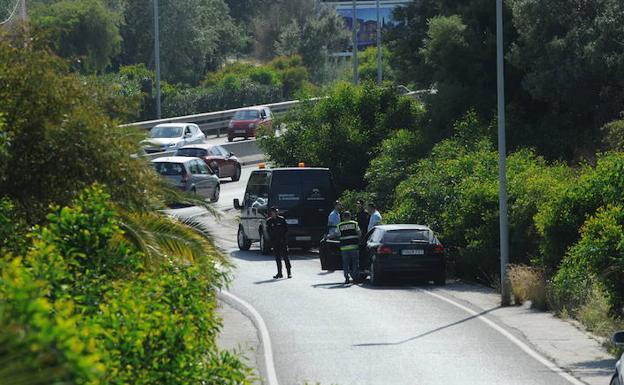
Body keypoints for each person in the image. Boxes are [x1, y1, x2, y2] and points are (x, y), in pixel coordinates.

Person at [267, 207, 291, 279]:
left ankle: (289, 273)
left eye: (275, 212)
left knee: (286, 257)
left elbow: (286, 230)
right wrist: (271, 242)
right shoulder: (269, 221)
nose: (273, 214)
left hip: (282, 241)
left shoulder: (282, 220)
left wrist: (285, 240)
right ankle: (279, 273)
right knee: (277, 258)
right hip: (275, 242)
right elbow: (269, 232)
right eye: (272, 212)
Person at [337, 211, 361, 284]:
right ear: (350, 216)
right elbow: (359, 233)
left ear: (343, 217)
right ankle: (355, 278)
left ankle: (347, 278)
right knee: (355, 263)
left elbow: (337, 235)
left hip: (344, 248)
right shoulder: (354, 223)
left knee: (346, 264)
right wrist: (357, 240)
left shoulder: (339, 225)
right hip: (354, 246)